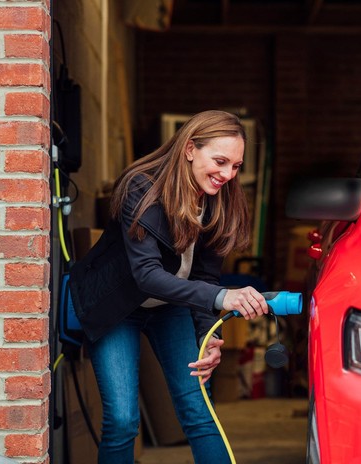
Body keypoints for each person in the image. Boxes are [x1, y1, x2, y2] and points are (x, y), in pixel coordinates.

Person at [69, 110, 269, 464]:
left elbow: (206, 278)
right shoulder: (140, 187)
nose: (227, 175)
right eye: (220, 161)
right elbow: (146, 274)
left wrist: (209, 337)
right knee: (122, 420)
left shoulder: (218, 199)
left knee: (199, 411)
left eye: (236, 166)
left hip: (169, 307)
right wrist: (224, 298)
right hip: (118, 308)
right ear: (190, 148)